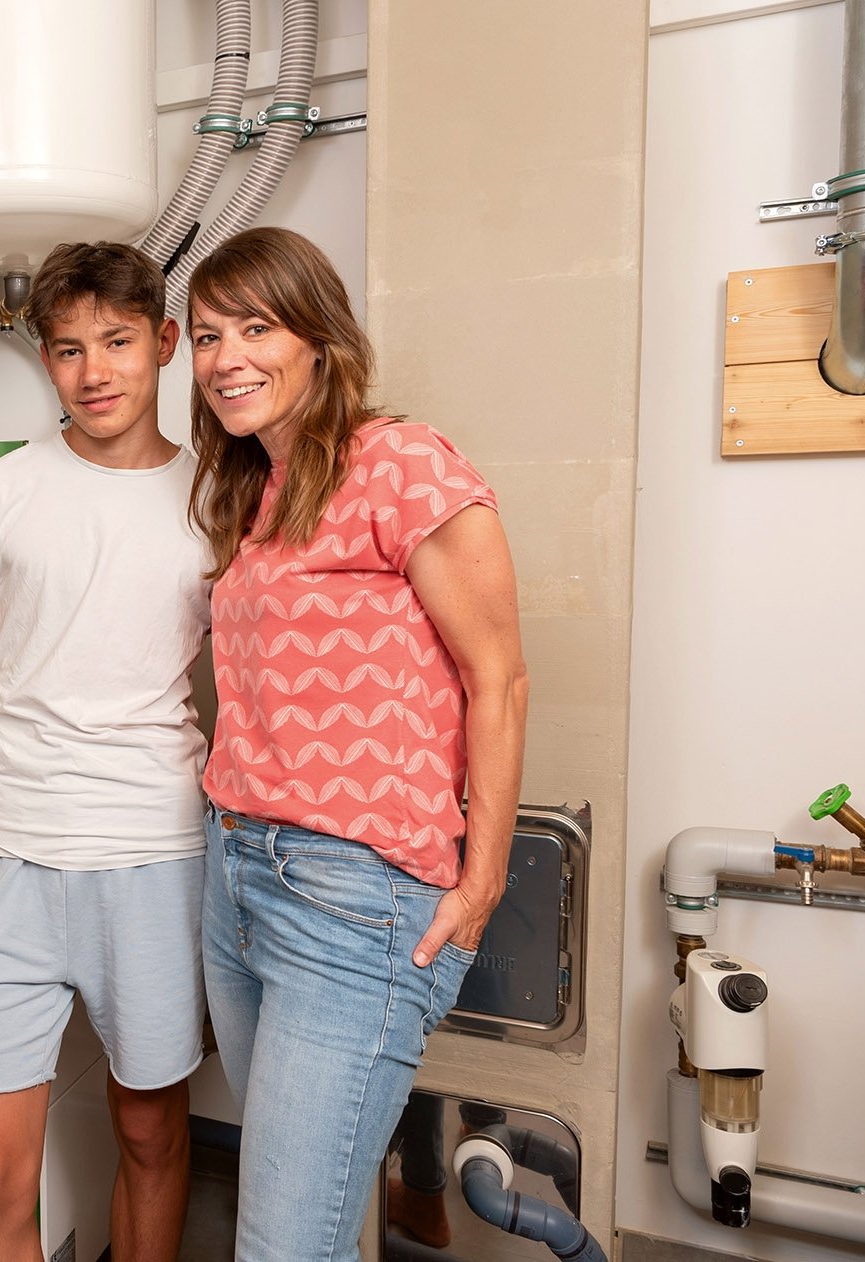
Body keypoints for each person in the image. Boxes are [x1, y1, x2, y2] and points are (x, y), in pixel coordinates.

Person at [185, 225, 530, 1261]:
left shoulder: (400, 462)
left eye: (256, 327)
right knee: (308, 1220)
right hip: (238, 871)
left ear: (319, 338)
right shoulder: (256, 486)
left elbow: (499, 678)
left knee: (283, 1242)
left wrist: (482, 880)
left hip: (353, 895)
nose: (226, 357)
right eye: (206, 335)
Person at [0, 242, 211, 1262]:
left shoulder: (217, 497)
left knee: (149, 1130)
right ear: (45, 358)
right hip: (6, 851)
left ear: (164, 344)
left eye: (118, 342)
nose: (94, 371)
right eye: (68, 348)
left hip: (153, 851)